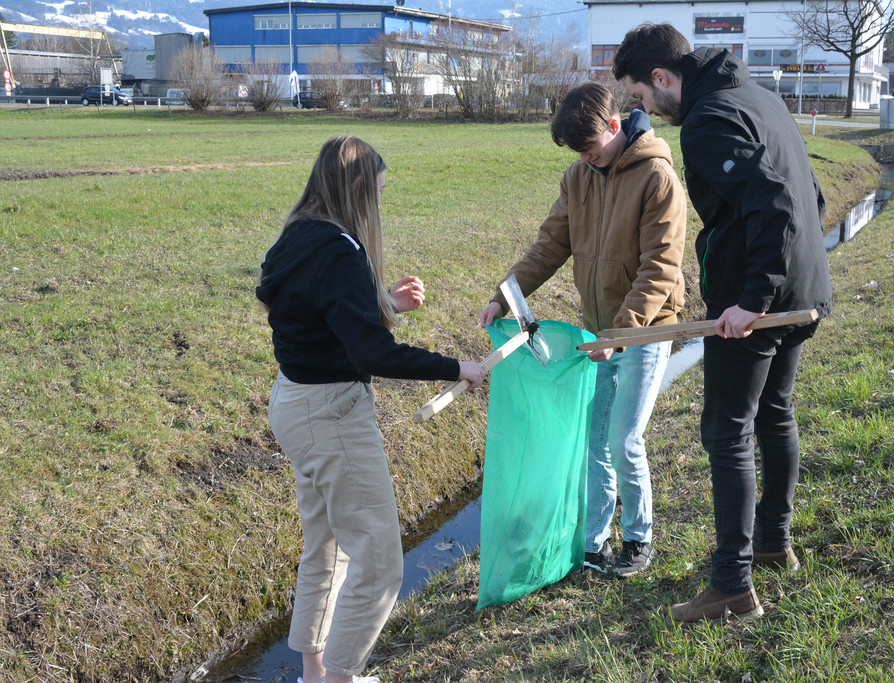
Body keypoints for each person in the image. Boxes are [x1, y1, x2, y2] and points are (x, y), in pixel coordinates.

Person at [613, 22, 833, 624]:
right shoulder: (758, 96)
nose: (646, 109)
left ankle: (732, 586)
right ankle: (773, 543)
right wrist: (796, 275)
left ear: (662, 77)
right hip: (805, 288)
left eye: (641, 95)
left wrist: (753, 298)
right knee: (774, 412)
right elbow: (811, 194)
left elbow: (776, 202)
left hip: (758, 301)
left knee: (726, 431)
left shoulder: (708, 120)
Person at [256, 135, 484, 683]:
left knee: (327, 547)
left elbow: (317, 310)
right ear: (357, 187)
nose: (379, 204)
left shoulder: (298, 233)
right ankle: (340, 676)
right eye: (377, 193)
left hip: (292, 403)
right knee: (381, 563)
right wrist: (458, 367)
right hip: (331, 414)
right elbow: (373, 353)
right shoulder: (340, 249)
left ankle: (315, 673)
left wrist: (383, 302)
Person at [479, 82, 687, 579]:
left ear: (614, 125)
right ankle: (594, 543)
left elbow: (660, 267)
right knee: (596, 443)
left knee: (624, 440)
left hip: (643, 333)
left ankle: (639, 538)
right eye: (579, 153)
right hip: (597, 336)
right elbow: (550, 246)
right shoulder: (578, 177)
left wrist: (622, 331)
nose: (586, 159)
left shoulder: (657, 178)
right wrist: (504, 295)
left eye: (591, 148)